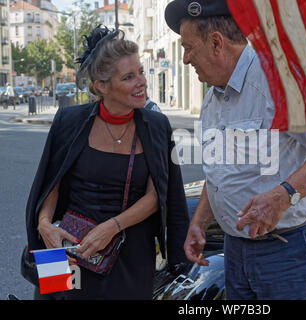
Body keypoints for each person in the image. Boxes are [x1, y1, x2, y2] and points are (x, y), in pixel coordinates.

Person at [165, 0, 306, 300]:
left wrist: (282, 197)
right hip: (235, 249)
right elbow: (220, 169)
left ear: (216, 43)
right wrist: (200, 223)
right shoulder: (214, 96)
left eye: (189, 48)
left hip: (286, 251)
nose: (186, 59)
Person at [24, 26, 189, 300]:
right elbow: (51, 184)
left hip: (131, 252)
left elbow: (156, 194)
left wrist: (111, 227)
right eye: (128, 77)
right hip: (65, 247)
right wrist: (44, 226)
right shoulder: (69, 121)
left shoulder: (157, 126)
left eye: (141, 72)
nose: (141, 82)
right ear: (102, 85)